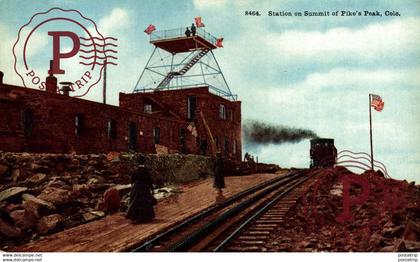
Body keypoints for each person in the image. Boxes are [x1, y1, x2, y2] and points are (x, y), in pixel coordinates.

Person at [126, 156, 157, 223]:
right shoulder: (146, 171)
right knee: (146, 202)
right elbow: (149, 181)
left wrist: (133, 189)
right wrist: (152, 189)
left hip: (136, 188)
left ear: (138, 163)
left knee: (136, 202)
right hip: (144, 188)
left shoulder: (135, 171)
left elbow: (132, 181)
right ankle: (146, 217)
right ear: (144, 162)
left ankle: (137, 217)